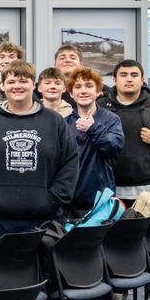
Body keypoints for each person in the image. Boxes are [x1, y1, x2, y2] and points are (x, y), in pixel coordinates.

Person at [0, 61, 79, 252]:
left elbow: (70, 162)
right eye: (11, 82)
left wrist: (53, 199)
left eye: (23, 81)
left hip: (44, 218)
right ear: (2, 85)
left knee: (41, 269)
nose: (17, 86)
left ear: (33, 85)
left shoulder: (54, 121)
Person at [65, 67, 124, 216]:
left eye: (89, 86)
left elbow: (114, 148)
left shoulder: (111, 119)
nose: (83, 91)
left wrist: (93, 129)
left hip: (100, 199)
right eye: (78, 87)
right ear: (71, 94)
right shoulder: (64, 123)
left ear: (98, 91)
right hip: (69, 202)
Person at [99, 60, 150, 205]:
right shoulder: (100, 107)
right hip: (108, 188)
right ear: (114, 80)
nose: (129, 79)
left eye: (134, 75)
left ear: (142, 80)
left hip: (148, 189)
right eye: (123, 75)